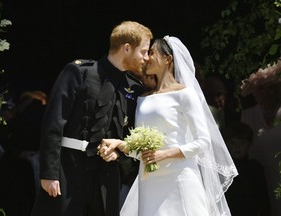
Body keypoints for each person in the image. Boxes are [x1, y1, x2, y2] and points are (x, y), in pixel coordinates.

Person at [98, 36, 238, 216]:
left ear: (167, 59)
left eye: (152, 53)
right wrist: (120, 144)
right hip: (148, 181)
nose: (147, 58)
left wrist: (163, 154)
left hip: (179, 176)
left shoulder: (185, 94)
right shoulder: (143, 98)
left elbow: (203, 141)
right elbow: (141, 151)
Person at [30, 21, 153, 216]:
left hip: (106, 176)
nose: (146, 58)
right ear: (127, 48)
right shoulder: (79, 72)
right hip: (68, 168)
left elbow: (129, 134)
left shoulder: (134, 88)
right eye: (144, 51)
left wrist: (119, 154)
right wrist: (49, 173)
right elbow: (54, 122)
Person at [224, 121, 271, 216]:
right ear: (226, 144)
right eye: (233, 143)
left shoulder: (255, 169)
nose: (237, 147)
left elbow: (263, 200)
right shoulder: (222, 169)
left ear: (249, 144)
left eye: (242, 143)